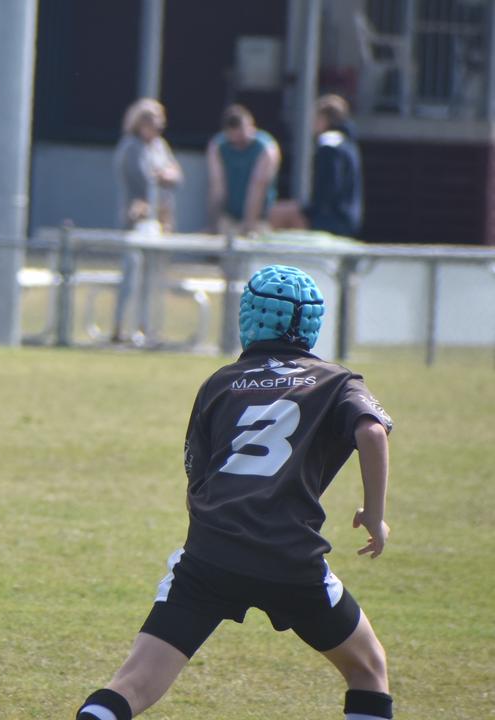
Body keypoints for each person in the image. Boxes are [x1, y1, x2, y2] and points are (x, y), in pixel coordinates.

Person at [72, 264, 395, 720]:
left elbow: (196, 482)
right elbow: (373, 432)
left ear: (249, 317)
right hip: (291, 559)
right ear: (312, 324)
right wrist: (375, 514)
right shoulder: (336, 381)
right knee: (368, 668)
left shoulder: (220, 383)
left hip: (210, 558)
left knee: (132, 685)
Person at [111, 98, 182, 345]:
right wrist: (162, 176)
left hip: (159, 220)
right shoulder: (131, 147)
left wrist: (165, 176)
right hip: (136, 221)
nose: (157, 129)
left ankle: (146, 328)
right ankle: (120, 328)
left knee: (154, 277)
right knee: (131, 275)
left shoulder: (159, 146)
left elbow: (174, 174)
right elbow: (143, 180)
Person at [269, 94, 363, 238]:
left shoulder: (329, 145)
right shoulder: (347, 143)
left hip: (332, 217)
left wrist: (311, 211)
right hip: (347, 216)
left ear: (324, 119)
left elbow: (329, 185)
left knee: (276, 213)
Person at [207, 104, 280, 235]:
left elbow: (258, 185)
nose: (238, 146)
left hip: (259, 220)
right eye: (234, 142)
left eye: (242, 140)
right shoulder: (218, 146)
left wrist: (249, 225)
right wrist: (213, 224)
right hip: (228, 218)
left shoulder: (266, 148)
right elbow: (217, 187)